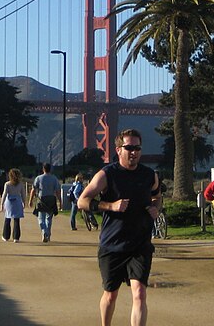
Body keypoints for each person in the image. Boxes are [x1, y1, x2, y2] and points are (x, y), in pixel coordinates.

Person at [77, 128, 161, 326]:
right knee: (110, 295)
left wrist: (156, 207)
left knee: (139, 294)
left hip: (140, 244)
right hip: (112, 244)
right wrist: (110, 206)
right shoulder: (107, 174)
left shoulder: (150, 175)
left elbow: (157, 196)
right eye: (129, 147)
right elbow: (82, 201)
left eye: (137, 148)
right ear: (118, 150)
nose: (134, 152)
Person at [29, 162, 62, 242]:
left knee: (41, 218)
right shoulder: (54, 178)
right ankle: (48, 233)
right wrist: (60, 201)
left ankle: (44, 231)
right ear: (50, 169)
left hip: (41, 199)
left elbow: (33, 190)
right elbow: (57, 191)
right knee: (49, 218)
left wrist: (30, 200)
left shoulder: (39, 178)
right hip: (51, 199)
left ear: (43, 169)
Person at [1, 168, 25, 243]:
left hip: (9, 202)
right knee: (16, 220)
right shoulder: (21, 184)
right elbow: (23, 194)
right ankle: (16, 237)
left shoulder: (7, 184)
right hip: (17, 201)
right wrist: (24, 202)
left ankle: (6, 236)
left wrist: (2, 204)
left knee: (7, 219)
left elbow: (4, 194)